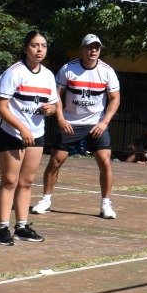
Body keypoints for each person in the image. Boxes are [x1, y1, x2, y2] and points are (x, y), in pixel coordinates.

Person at [35, 34, 121, 219]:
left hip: (96, 124)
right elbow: (56, 94)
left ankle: (106, 204)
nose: (93, 51)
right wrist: (61, 119)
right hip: (70, 123)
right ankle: (46, 200)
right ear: (82, 49)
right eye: (90, 47)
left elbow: (115, 99)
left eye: (97, 48)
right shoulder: (68, 69)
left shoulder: (107, 71)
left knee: (105, 162)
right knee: (55, 162)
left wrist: (104, 122)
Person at [0, 31, 58, 245]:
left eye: (43, 45)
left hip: (36, 134)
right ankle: (3, 229)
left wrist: (51, 109)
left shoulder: (48, 75)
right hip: (11, 133)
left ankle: (21, 226)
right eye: (34, 45)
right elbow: (1, 107)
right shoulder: (14, 73)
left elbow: (55, 104)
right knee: (10, 181)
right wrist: (21, 127)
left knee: (27, 182)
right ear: (25, 48)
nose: (39, 49)